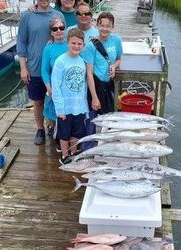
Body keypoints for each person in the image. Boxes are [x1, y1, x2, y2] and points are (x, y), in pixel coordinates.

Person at [17, 0, 64, 145]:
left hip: (55, 71)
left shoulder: (57, 14)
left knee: (54, 100)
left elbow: (63, 33)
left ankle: (52, 125)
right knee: (38, 102)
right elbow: (21, 42)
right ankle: (40, 128)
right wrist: (23, 68)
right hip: (35, 68)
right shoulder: (27, 15)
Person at [83, 11, 123, 149]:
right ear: (97, 25)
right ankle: (88, 147)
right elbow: (89, 73)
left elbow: (118, 59)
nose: (105, 29)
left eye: (108, 26)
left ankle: (108, 147)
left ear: (112, 27)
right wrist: (94, 97)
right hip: (95, 84)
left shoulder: (116, 40)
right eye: (102, 25)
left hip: (109, 85)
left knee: (110, 117)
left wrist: (114, 66)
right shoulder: (91, 46)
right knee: (92, 118)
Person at [51, 28, 89, 164]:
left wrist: (84, 106)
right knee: (64, 133)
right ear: (68, 43)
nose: (76, 46)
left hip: (78, 106)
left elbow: (83, 87)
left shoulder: (82, 62)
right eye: (73, 43)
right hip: (65, 107)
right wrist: (60, 109)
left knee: (76, 132)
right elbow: (55, 87)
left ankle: (74, 152)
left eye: (79, 44)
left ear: (83, 45)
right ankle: (65, 155)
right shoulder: (60, 61)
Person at [41, 16, 68, 151]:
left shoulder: (70, 44)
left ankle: (64, 136)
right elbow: (44, 70)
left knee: (65, 114)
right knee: (52, 112)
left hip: (67, 87)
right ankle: (53, 131)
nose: (59, 31)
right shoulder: (48, 48)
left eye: (61, 28)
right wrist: (48, 87)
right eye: (55, 29)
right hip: (53, 86)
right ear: (51, 32)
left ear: (65, 29)